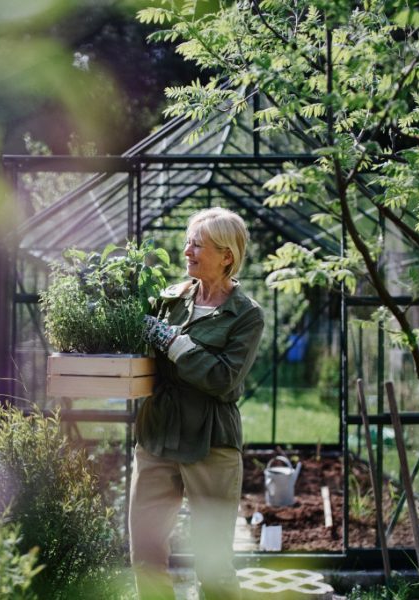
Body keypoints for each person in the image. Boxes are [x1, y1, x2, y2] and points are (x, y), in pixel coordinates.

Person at [130, 207, 264, 600]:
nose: (186, 251)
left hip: (210, 444)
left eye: (197, 245)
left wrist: (174, 342)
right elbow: (141, 357)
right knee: (146, 553)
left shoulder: (246, 315)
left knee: (213, 563)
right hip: (156, 438)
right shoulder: (169, 299)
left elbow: (223, 379)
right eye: (188, 242)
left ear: (227, 256)